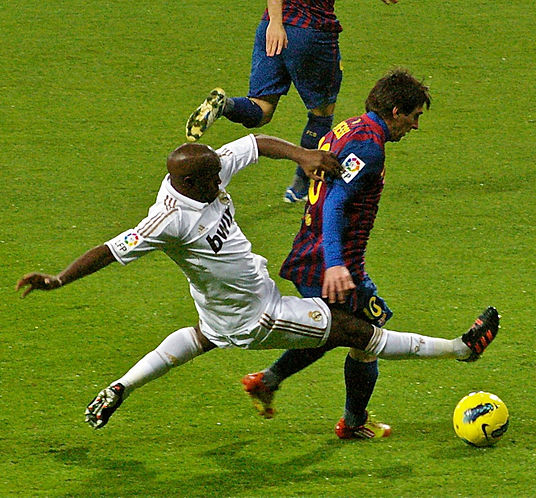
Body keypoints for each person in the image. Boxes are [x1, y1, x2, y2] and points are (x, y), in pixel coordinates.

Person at [16, 134, 499, 432]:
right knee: (356, 331)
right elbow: (110, 249)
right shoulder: (169, 219)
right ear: (190, 186)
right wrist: (59, 279)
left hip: (220, 306)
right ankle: (462, 349)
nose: (221, 185)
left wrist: (303, 155)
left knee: (199, 337)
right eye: (212, 184)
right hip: (258, 317)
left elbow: (255, 143)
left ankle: (122, 387)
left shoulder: (205, 169)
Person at [241, 68, 464, 439]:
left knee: (335, 331)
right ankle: (353, 422)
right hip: (329, 260)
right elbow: (337, 202)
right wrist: (335, 265)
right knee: (366, 336)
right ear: (396, 111)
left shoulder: (352, 127)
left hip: (318, 251)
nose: (415, 126)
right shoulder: (369, 146)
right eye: (414, 116)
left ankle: (269, 381)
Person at [185, 0, 398, 204]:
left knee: (261, 108)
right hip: (310, 31)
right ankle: (300, 187)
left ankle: (225, 105)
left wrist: (275, 23)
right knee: (321, 114)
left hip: (269, 28)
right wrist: (277, 23)